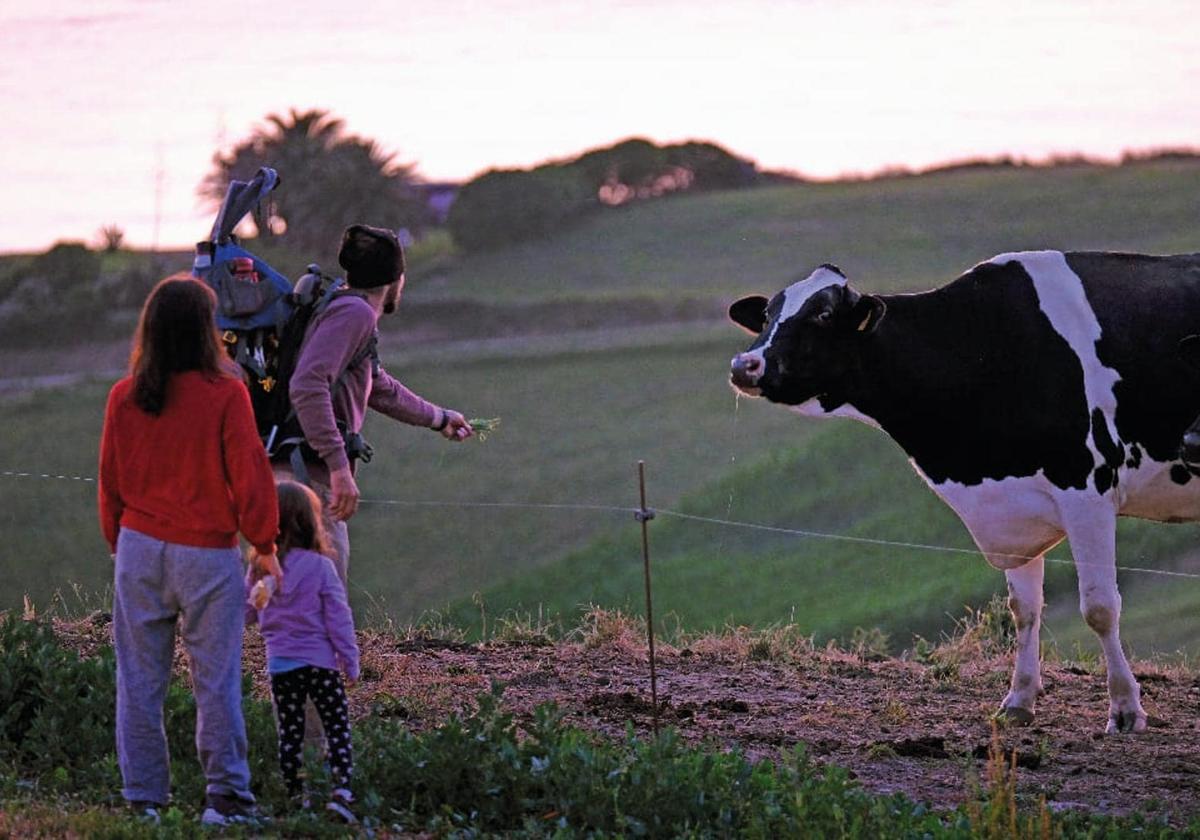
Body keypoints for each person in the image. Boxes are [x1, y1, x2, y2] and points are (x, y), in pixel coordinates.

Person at [98, 274, 282, 827]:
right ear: (207, 330)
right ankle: (225, 800)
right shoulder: (226, 393)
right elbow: (250, 474)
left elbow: (110, 480)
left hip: (138, 547)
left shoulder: (124, 396)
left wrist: (120, 542)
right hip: (205, 555)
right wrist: (265, 543)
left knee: (138, 682)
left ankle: (145, 800)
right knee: (215, 680)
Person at [279, 223, 474, 582]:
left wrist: (439, 418)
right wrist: (338, 466)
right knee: (321, 602)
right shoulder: (355, 315)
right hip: (308, 476)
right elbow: (307, 385)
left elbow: (378, 385)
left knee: (297, 602)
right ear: (395, 280)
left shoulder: (341, 307)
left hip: (298, 471)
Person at [245, 480, 360, 822]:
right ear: (312, 521)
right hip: (322, 665)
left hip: (282, 666)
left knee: (290, 732)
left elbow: (246, 613)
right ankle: (341, 790)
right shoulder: (321, 567)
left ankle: (296, 797)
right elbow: (339, 616)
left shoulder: (260, 569)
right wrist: (349, 659)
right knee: (336, 725)